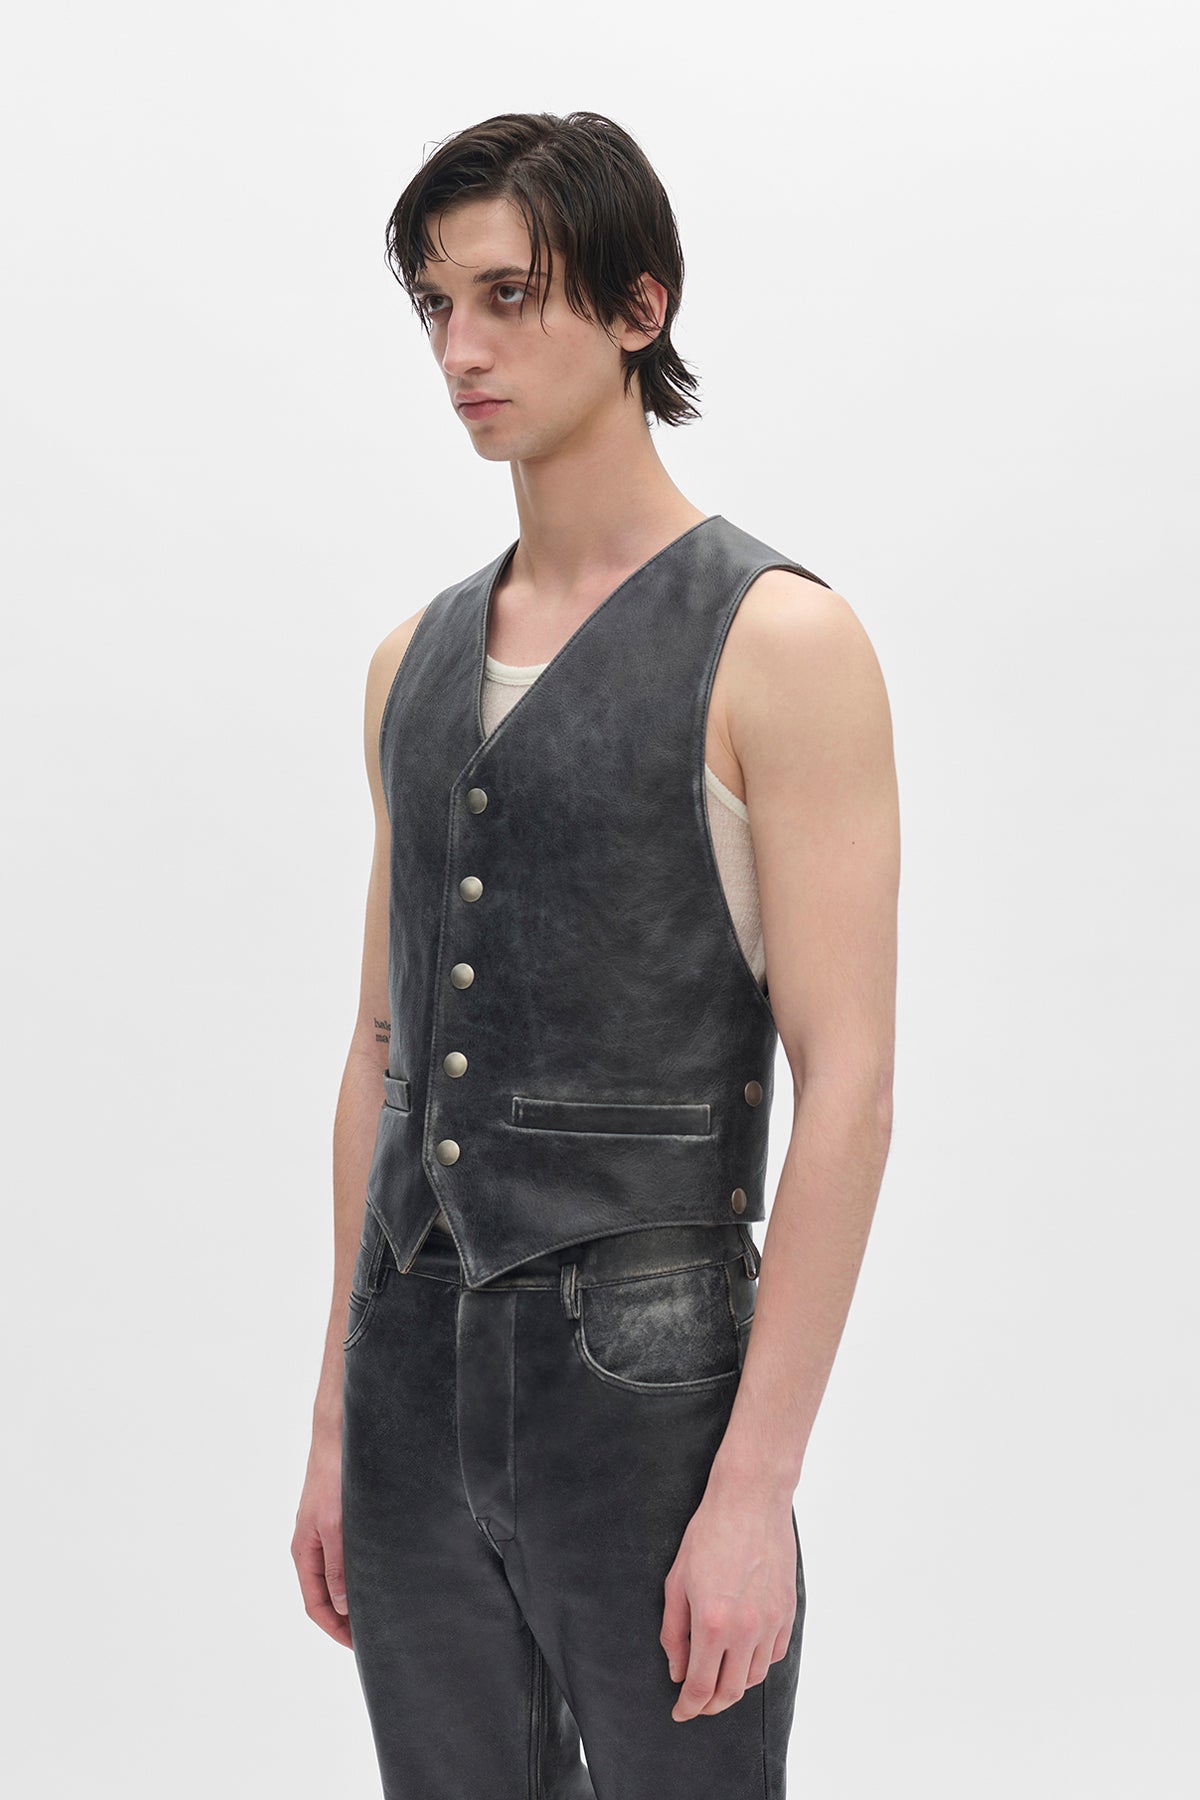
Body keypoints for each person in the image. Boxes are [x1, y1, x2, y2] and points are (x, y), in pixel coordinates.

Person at [292, 109, 899, 1799]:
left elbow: (850, 1088)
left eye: (507, 296)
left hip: (647, 1376)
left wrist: (756, 1488)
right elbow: (380, 1057)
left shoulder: (778, 642)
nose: (460, 351)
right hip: (411, 1361)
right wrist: (338, 1417)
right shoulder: (409, 663)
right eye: (434, 305)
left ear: (642, 307)